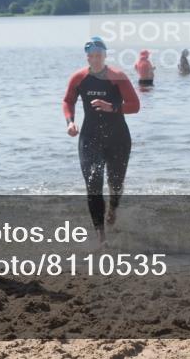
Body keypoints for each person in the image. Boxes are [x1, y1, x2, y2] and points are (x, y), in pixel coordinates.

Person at [62, 36, 140, 244]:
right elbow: (68, 101)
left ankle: (113, 208)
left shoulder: (117, 77)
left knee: (115, 182)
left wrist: (112, 107)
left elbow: (135, 105)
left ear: (105, 56)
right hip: (90, 137)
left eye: (99, 55)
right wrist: (70, 122)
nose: (95, 59)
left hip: (118, 138)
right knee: (93, 185)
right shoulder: (78, 78)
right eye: (91, 56)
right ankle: (101, 236)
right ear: (87, 57)